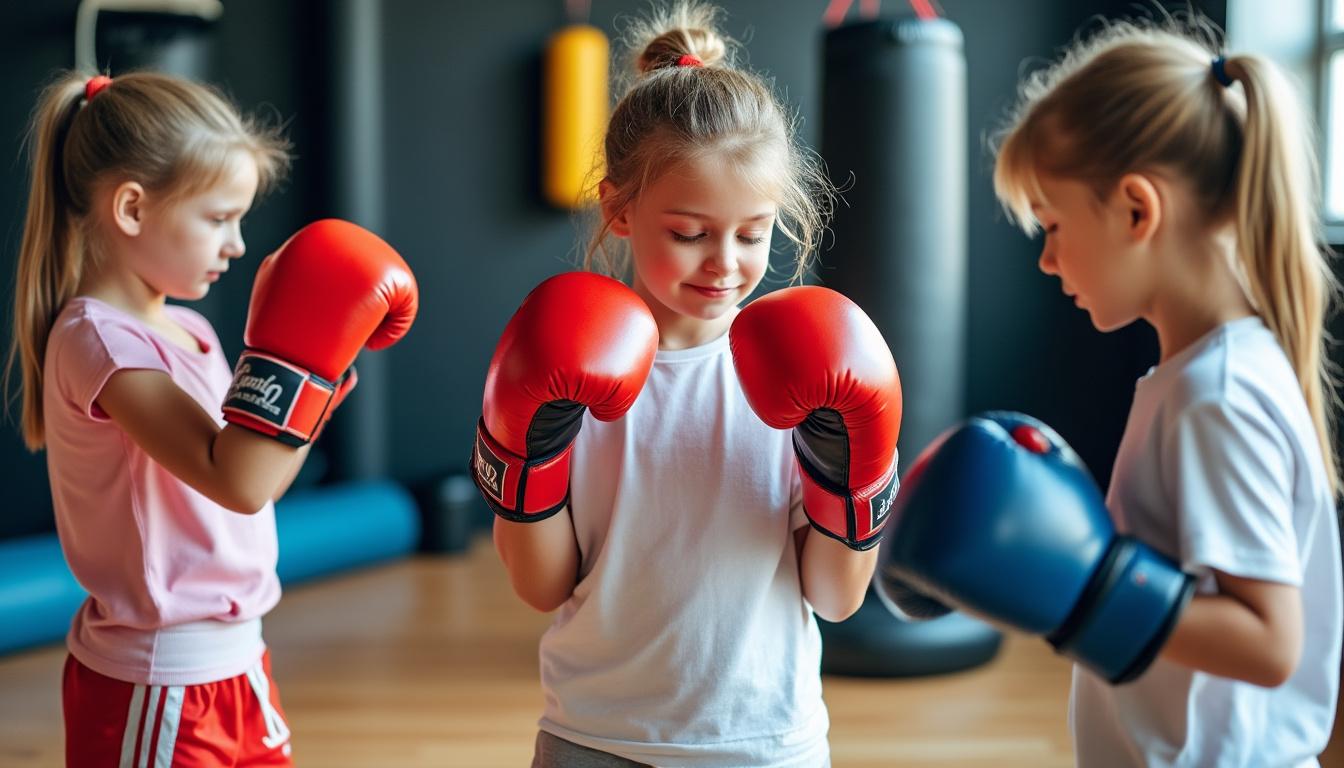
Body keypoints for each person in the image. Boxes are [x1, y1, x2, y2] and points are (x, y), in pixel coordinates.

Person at [879, 19, 1342, 767]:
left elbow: (1270, 642)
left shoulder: (1216, 396)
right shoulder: (1206, 373)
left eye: (1053, 225)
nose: (1048, 260)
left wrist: (1082, 585)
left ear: (1136, 209)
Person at [468, 3, 901, 766]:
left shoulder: (802, 374)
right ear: (620, 211)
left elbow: (836, 597)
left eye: (753, 232)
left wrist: (851, 467)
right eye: (691, 233)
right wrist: (527, 450)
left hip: (766, 738)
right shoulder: (570, 364)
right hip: (595, 733)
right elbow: (541, 587)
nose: (725, 263)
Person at [7, 71, 418, 766]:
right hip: (155, 678)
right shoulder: (99, 342)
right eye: (218, 217)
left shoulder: (191, 329)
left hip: (238, 661)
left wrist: (317, 373)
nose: (235, 244)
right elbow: (238, 480)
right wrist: (306, 367)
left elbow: (257, 486)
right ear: (132, 208)